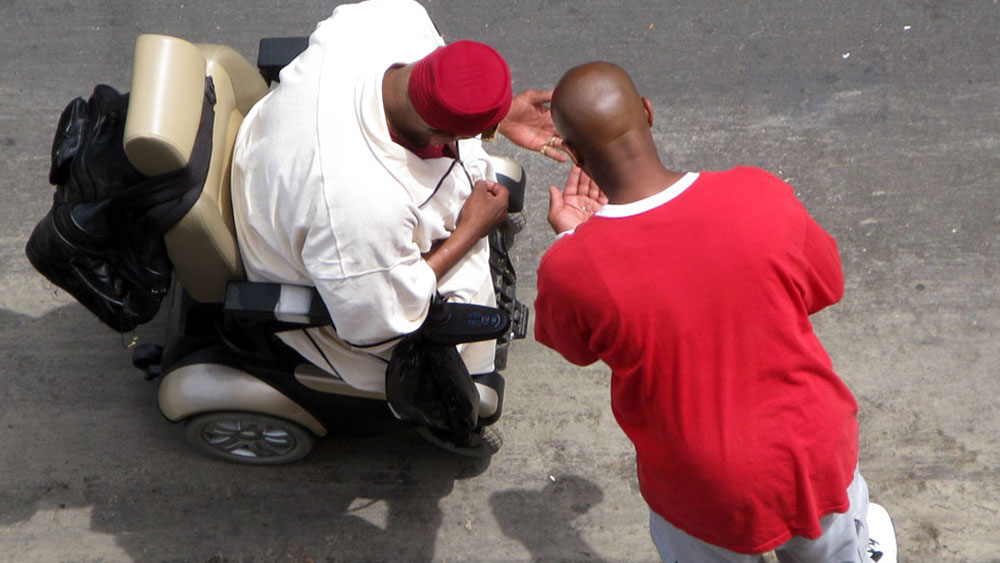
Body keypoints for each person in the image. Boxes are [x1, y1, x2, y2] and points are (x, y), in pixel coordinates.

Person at [534, 61, 894, 562]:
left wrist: (576, 240)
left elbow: (572, 347)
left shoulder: (572, 267)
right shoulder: (759, 193)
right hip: (812, 454)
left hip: (697, 487)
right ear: (647, 113)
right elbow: (824, 286)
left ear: (571, 153)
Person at [230, 0, 563, 409]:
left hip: (273, 153)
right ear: (438, 131)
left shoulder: (388, 18)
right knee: (459, 334)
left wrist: (497, 112)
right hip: (302, 256)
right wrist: (469, 231)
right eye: (478, 133)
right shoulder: (360, 209)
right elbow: (381, 322)